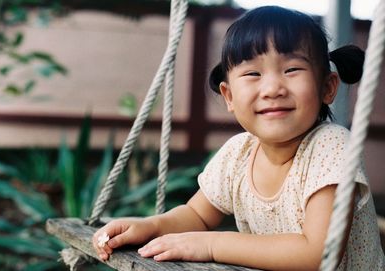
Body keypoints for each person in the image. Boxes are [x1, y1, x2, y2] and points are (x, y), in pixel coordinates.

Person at [93, 6, 385, 270]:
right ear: (229, 96)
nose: (272, 88)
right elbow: (197, 214)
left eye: (292, 69)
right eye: (253, 73)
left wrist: (210, 245)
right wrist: (151, 226)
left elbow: (319, 252)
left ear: (327, 87)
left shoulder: (331, 146)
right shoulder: (238, 152)